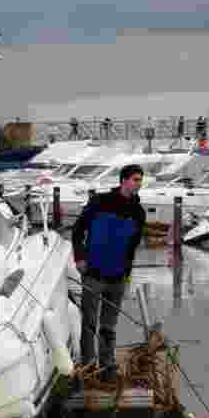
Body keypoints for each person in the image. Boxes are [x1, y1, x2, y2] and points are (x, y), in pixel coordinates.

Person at [71, 164, 147, 383]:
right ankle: (88, 365)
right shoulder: (100, 202)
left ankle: (107, 366)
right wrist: (80, 258)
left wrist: (128, 275)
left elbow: (132, 248)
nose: (138, 184)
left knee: (109, 326)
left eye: (140, 180)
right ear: (123, 180)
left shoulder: (138, 213)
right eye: (135, 179)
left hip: (118, 277)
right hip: (93, 273)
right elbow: (77, 231)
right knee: (89, 323)